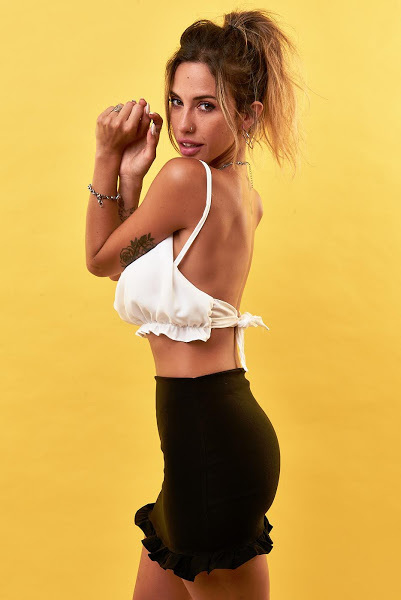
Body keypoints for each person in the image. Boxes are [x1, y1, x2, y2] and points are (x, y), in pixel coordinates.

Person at [85, 8, 306, 600]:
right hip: (205, 443)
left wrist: (107, 158)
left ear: (248, 114)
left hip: (209, 442)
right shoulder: (243, 195)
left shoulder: (186, 180)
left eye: (206, 105)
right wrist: (132, 183)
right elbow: (137, 267)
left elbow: (102, 260)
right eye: (177, 102)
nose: (184, 123)